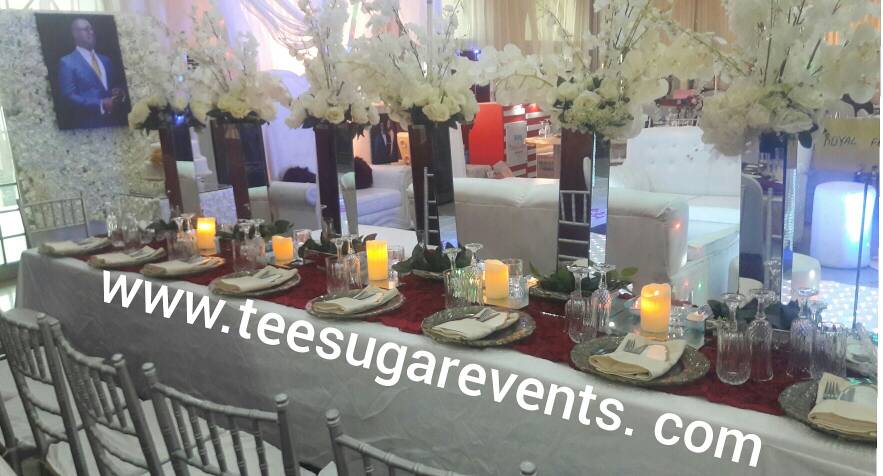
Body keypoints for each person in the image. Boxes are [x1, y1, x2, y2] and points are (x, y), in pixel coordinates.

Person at [57, 17, 127, 128]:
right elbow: (69, 96)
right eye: (86, 29)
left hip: (115, 123)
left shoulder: (105, 60)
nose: (92, 32)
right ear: (75, 33)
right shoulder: (67, 62)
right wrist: (100, 104)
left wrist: (119, 92)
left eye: (92, 29)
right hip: (88, 126)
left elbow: (112, 86)